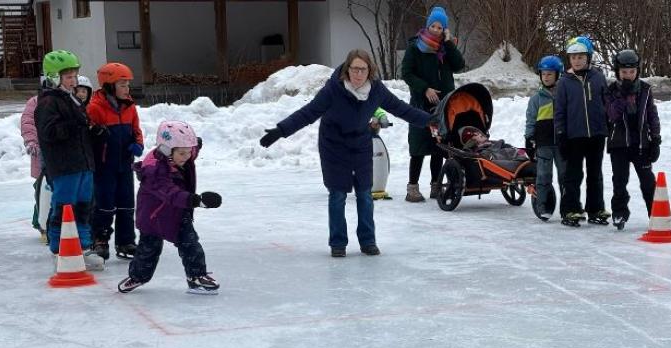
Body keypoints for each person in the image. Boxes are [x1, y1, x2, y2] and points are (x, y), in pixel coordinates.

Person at [259, 49, 432, 257]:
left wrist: (429, 120)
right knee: (338, 193)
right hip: (333, 145)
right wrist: (281, 130)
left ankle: (368, 241)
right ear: (347, 69)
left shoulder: (376, 90)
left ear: (370, 71)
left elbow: (401, 108)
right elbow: (309, 112)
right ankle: (338, 243)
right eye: (354, 69)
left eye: (363, 69)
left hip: (360, 142)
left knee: (365, 194)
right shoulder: (333, 90)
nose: (358, 74)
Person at [118, 121, 221, 294]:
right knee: (148, 252)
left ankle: (196, 277)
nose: (187, 157)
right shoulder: (154, 171)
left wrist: (194, 143)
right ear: (167, 150)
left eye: (189, 152)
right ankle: (137, 277)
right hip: (153, 217)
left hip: (177, 214)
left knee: (191, 244)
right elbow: (171, 193)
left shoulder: (179, 154)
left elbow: (191, 150)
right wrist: (197, 201)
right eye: (183, 153)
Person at [34, 50, 104, 270]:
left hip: (83, 163)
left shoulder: (72, 99)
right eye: (68, 77)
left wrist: (94, 133)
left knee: (84, 207)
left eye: (74, 76)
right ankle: (58, 249)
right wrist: (74, 127)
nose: (73, 80)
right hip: (65, 166)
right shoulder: (48, 102)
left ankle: (82, 247)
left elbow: (80, 130)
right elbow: (48, 133)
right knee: (64, 207)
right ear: (55, 77)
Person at [401, 5, 465, 202]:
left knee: (439, 146)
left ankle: (435, 185)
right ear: (428, 26)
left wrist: (449, 44)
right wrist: (425, 88)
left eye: (441, 27)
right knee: (418, 147)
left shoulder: (446, 49)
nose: (437, 30)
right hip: (421, 104)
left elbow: (459, 65)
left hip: (443, 104)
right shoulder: (415, 47)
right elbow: (406, 73)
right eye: (434, 26)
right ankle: (412, 187)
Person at [87, 62, 143, 260]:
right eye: (122, 85)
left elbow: (136, 129)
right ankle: (99, 239)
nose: (127, 89)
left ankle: (126, 241)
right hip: (104, 166)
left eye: (127, 85)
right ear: (109, 86)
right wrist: (98, 136)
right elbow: (88, 135)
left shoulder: (130, 106)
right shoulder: (95, 107)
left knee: (127, 203)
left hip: (125, 163)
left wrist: (138, 144)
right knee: (105, 204)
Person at [554, 35, 610, 227]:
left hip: (596, 135)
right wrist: (561, 134)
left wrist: (608, 127)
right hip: (574, 137)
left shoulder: (599, 78)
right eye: (573, 57)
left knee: (595, 174)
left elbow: (607, 104)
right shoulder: (564, 82)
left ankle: (595, 208)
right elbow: (559, 111)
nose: (576, 60)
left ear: (588, 57)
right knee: (574, 175)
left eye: (580, 57)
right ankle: (571, 209)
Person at [604, 49, 661, 230]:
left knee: (648, 181)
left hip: (641, 144)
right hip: (619, 144)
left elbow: (652, 115)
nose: (628, 75)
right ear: (617, 72)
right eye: (624, 72)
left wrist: (656, 139)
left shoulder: (645, 89)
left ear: (637, 71)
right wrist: (622, 95)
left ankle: (656, 214)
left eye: (632, 72)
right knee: (619, 181)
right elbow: (612, 114)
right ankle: (620, 213)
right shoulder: (612, 90)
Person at [525, 55, 565, 221]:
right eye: (544, 74)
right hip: (544, 144)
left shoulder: (564, 96)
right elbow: (531, 120)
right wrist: (529, 138)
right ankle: (543, 205)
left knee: (566, 176)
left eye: (550, 74)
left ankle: (568, 208)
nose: (546, 77)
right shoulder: (536, 99)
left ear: (557, 75)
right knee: (543, 176)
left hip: (563, 144)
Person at [20, 79, 48, 242]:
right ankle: (40, 223)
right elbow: (28, 123)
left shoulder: (64, 100)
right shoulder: (35, 103)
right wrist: (31, 141)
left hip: (61, 154)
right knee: (41, 188)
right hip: (41, 153)